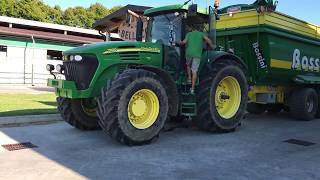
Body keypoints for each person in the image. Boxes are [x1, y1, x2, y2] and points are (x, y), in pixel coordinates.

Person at [179, 26, 215, 94]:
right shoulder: (201, 34)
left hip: (189, 53)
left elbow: (184, 42)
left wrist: (179, 42)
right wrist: (212, 46)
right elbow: (208, 40)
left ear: (192, 29)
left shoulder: (189, 34)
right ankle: (192, 89)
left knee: (188, 65)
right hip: (197, 55)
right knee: (194, 71)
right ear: (198, 29)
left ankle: (189, 79)